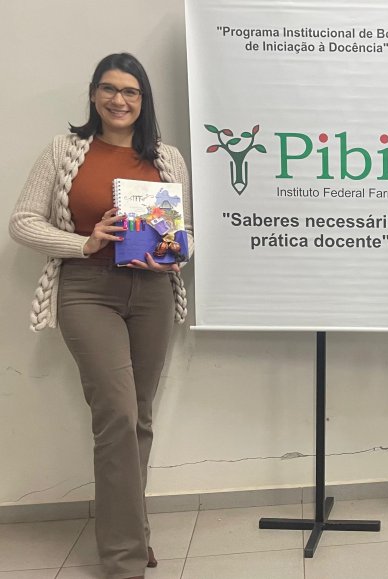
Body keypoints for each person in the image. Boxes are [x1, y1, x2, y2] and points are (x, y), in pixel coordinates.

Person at [9, 53, 193, 579]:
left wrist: (176, 250)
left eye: (131, 91)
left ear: (143, 100)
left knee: (139, 415)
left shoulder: (167, 158)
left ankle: (132, 533)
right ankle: (124, 559)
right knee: (116, 414)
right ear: (93, 94)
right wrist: (83, 242)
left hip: (152, 292)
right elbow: (22, 222)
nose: (119, 99)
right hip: (88, 291)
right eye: (109, 89)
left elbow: (185, 231)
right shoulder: (63, 151)